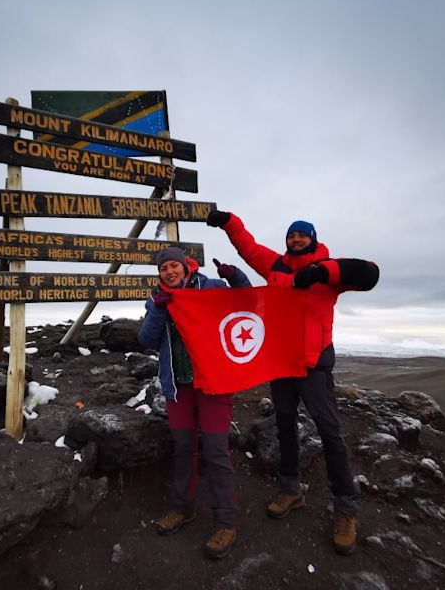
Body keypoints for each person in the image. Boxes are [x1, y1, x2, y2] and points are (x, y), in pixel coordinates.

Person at [206, 209, 379, 555]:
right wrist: (228, 222)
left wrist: (319, 271)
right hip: (282, 364)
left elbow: (370, 273)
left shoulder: (330, 271)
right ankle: (290, 490)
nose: (296, 239)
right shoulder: (276, 267)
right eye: (291, 235)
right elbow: (249, 247)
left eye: (302, 235)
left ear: (312, 238)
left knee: (330, 433)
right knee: (284, 427)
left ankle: (346, 509)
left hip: (314, 366)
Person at [138, 246, 250, 559]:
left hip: (213, 383)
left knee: (215, 450)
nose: (169, 272)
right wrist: (159, 309)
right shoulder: (157, 299)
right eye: (163, 269)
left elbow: (248, 299)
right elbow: (146, 340)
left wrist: (235, 275)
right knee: (184, 447)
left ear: (185, 268)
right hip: (179, 387)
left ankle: (226, 521)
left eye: (173, 266)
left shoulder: (212, 288)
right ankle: (182, 509)